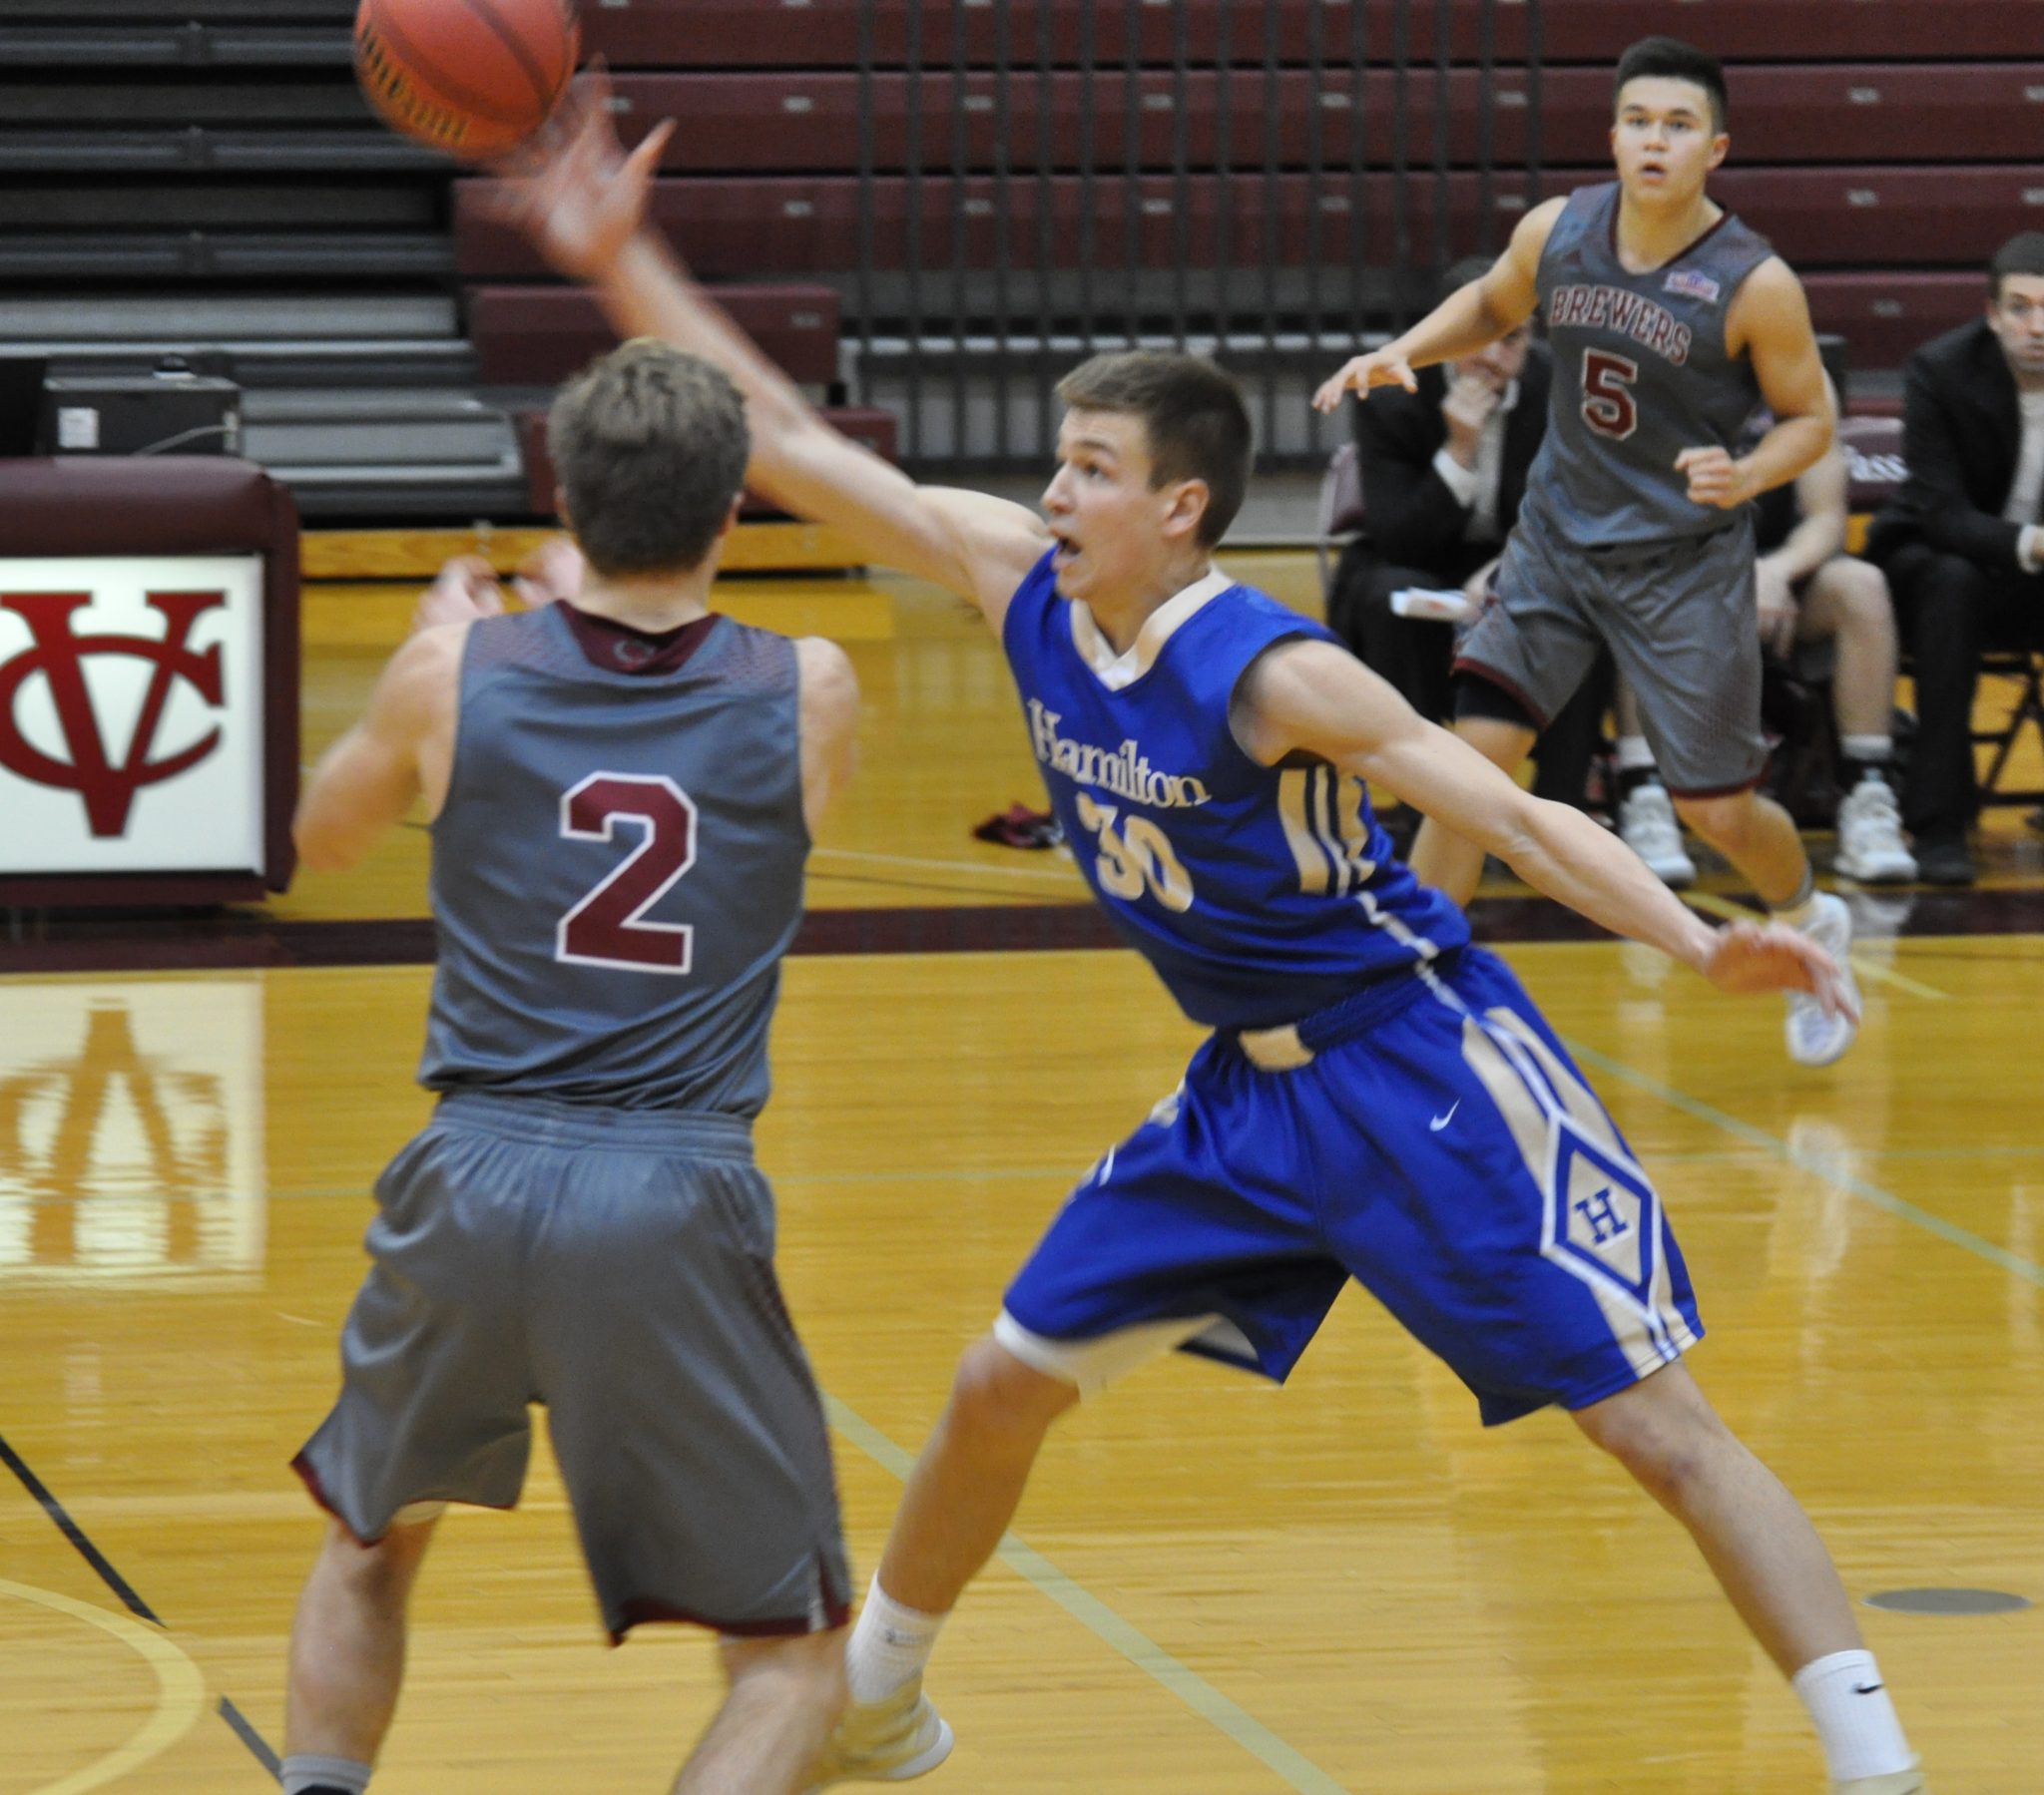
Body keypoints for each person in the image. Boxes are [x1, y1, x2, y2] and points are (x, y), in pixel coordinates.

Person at [486, 85, 1925, 1795]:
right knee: (996, 1376)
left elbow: (1519, 811)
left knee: (1654, 1427)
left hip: (1418, 1062)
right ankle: (877, 1695)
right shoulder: (1021, 582)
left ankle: (1874, 1756)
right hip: (1243, 1099)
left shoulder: (1269, 670)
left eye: (1089, 469)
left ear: (1178, 510)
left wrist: (1700, 943)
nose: (1052, 489)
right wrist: (613, 249)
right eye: (1056, 460)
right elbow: (784, 440)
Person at [279, 340, 860, 1795]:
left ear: (562, 490)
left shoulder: (449, 675)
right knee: (793, 1655)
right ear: (734, 510)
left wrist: (461, 640)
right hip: (671, 1188)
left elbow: (318, 839)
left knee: (367, 1548)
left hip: (469, 1170)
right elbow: (660, 705)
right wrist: (562, 611)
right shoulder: (811, 685)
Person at [1316, 36, 1858, 1068]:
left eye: (1678, 125)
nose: (1654, 140)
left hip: (1682, 568)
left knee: (1715, 810)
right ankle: (1406, 995)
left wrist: (1745, 475)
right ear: (1611, 135)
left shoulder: (1754, 283)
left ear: (1715, 148)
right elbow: (1490, 303)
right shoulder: (1558, 230)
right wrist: (1402, 350)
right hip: (1558, 544)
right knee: (1467, 767)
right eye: (1638, 121)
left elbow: (1808, 419)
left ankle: (1803, 907)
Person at [1325, 255, 1609, 828]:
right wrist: (1459, 450)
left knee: (1587, 605)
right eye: (1478, 341)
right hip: (1414, 561)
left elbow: (1582, 512)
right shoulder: (1390, 394)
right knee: (1391, 597)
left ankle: (1560, 812)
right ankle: (1424, 802)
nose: (1492, 358)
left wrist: (1513, 566)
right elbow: (1399, 537)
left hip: (1517, 559)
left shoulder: (1562, 389)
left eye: (1513, 341)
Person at [1619, 385, 1917, 884]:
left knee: (1862, 588)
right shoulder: (1655, 361)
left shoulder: (1802, 376)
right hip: (1676, 576)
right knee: (1637, 589)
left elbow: (1826, 520)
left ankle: (1867, 794)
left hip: (1781, 587)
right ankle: (1645, 796)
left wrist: (1776, 572)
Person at [1864, 229, 2044, 885]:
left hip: (2029, 584)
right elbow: (1941, 513)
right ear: (1993, 314)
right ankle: (1939, 825)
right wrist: (2032, 543)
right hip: (1927, 565)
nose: (2038, 325)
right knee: (1953, 580)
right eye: (2021, 308)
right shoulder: (1940, 368)